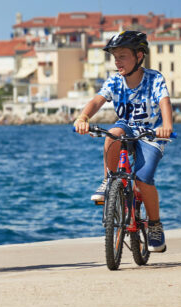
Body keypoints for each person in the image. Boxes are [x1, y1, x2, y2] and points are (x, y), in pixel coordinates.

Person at [73, 30, 173, 252]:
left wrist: (166, 126)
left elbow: (164, 102)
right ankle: (109, 180)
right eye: (115, 57)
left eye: (123, 56)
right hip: (127, 126)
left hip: (151, 133)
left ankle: (155, 224)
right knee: (112, 134)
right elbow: (97, 101)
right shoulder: (115, 81)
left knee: (144, 179)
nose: (117, 62)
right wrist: (83, 117)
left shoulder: (154, 79)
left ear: (139, 56)